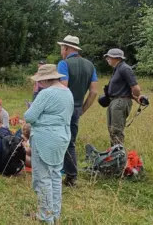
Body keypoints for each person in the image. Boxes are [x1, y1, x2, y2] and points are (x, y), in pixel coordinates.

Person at [24, 64, 74, 224]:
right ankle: (54, 213)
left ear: (45, 80)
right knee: (55, 175)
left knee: (42, 178)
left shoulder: (46, 93)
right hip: (62, 137)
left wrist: (39, 118)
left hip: (45, 139)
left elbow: (29, 116)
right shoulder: (68, 92)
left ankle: (46, 216)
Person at [57, 35, 98, 187]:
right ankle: (71, 177)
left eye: (62, 48)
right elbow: (94, 92)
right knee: (71, 142)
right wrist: (82, 109)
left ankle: (65, 175)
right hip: (77, 108)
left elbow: (63, 87)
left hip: (63, 108)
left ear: (67, 48)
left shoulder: (64, 64)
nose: (61, 51)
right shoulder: (90, 65)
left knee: (60, 141)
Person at [104, 48, 145, 146]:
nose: (107, 59)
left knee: (116, 130)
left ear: (116, 58)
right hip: (115, 101)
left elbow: (135, 87)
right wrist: (134, 98)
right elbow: (126, 88)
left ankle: (119, 156)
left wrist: (138, 97)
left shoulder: (124, 68)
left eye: (108, 57)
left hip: (120, 102)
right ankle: (114, 155)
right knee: (112, 129)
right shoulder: (118, 68)